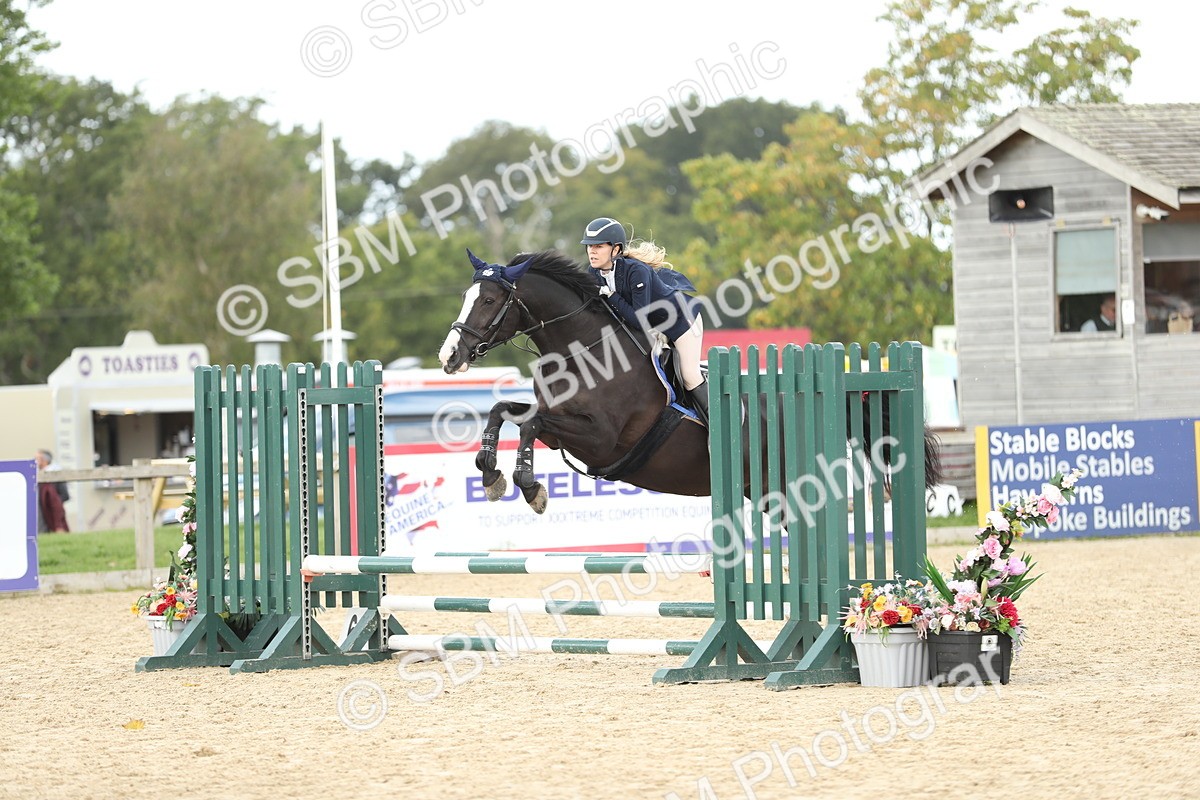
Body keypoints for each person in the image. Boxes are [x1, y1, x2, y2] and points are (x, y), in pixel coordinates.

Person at [581, 217, 709, 424]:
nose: (591, 252)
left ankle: (717, 426)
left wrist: (609, 295)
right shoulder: (593, 273)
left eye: (598, 246)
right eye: (589, 246)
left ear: (615, 250)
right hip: (652, 327)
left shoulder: (636, 271)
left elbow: (639, 321)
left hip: (681, 320)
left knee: (689, 375)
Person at [35, 449, 70, 533]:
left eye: (37, 458)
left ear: (44, 460)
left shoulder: (55, 474)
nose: (35, 461)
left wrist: (52, 503)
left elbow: (65, 495)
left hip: (53, 513)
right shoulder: (37, 475)